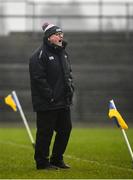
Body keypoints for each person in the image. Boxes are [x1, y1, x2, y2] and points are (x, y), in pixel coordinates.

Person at [29, 22, 74, 170]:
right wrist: (51, 96)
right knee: (45, 133)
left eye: (62, 33)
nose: (61, 36)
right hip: (47, 102)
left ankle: (56, 159)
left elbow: (68, 74)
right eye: (57, 34)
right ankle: (42, 163)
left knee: (65, 129)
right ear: (49, 38)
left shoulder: (63, 53)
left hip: (63, 102)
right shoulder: (39, 55)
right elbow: (38, 79)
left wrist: (70, 89)